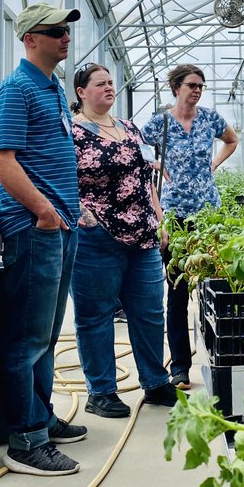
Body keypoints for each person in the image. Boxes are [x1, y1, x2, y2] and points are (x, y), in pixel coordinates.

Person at [0, 3, 88, 477]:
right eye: (55, 31)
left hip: (58, 226)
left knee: (45, 336)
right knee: (27, 337)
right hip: (34, 228)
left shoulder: (51, 90)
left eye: (67, 30)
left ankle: (41, 418)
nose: (65, 37)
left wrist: (68, 211)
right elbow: (1, 161)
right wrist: (44, 212)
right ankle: (25, 440)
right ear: (30, 39)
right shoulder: (16, 90)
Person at [70, 64, 177, 415]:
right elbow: (61, 178)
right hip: (97, 237)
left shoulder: (129, 128)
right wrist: (86, 217)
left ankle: (156, 382)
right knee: (96, 315)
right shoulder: (71, 131)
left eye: (110, 82)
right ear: (82, 92)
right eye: (100, 83)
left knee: (149, 311)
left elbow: (146, 180)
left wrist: (160, 220)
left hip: (143, 235)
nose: (109, 87)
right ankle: (101, 392)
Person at [142, 65, 238, 389]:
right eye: (192, 85)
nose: (197, 90)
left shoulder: (209, 119)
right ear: (176, 88)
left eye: (200, 86)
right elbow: (136, 153)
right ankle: (180, 367)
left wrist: (213, 165)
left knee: (214, 287)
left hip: (208, 215)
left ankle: (217, 358)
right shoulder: (159, 124)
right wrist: (154, 164)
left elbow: (231, 140)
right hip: (174, 217)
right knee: (177, 292)